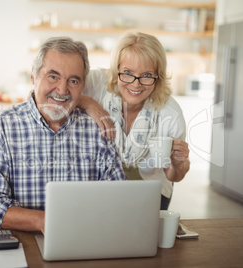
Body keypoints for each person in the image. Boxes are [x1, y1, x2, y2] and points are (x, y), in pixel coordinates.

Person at [0, 37, 125, 233]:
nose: (62, 89)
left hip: (83, 241)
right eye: (53, 76)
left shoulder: (97, 130)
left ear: (82, 85)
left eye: (73, 80)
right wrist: (41, 221)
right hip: (21, 245)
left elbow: (119, 198)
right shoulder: (3, 126)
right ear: (33, 77)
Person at [79, 31, 190, 210]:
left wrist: (178, 163)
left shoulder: (170, 113)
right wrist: (88, 103)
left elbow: (174, 176)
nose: (136, 84)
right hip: (100, 188)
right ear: (116, 69)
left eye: (146, 75)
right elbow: (50, 96)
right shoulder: (97, 82)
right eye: (128, 73)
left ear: (158, 76)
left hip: (150, 193)